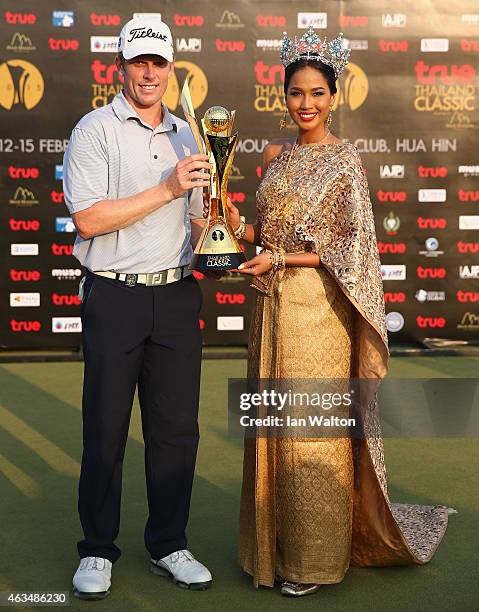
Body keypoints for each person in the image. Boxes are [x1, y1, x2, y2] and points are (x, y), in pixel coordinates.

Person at [225, 26, 451, 597]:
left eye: (317, 93)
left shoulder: (347, 162)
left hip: (318, 314)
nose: (306, 104)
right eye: (296, 93)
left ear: (334, 95)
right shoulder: (275, 156)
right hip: (270, 312)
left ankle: (314, 563)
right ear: (284, 96)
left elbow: (349, 248)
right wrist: (236, 229)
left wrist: (277, 255)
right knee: (273, 428)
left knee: (311, 433)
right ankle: (270, 552)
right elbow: (268, 233)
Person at [63, 16, 213, 600]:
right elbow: (90, 219)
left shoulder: (188, 134)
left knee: (177, 431)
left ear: (171, 66)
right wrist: (168, 189)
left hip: (176, 293)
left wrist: (218, 231)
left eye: (159, 62)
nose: (149, 72)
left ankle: (169, 544)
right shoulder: (94, 129)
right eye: (138, 62)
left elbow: (198, 219)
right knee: (104, 428)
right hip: (115, 294)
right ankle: (97, 550)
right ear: (120, 66)